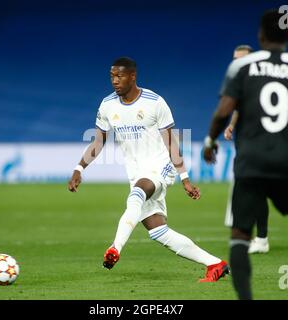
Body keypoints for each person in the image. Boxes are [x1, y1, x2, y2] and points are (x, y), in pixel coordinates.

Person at [203, 10, 288, 299]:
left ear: (261, 36)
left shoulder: (242, 68)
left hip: (250, 162)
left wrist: (210, 141)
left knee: (238, 238)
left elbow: (224, 111)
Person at [68, 57, 229, 282]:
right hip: (136, 172)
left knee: (136, 195)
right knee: (158, 231)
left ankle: (116, 248)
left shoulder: (155, 102)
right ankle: (215, 264)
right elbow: (98, 142)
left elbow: (172, 143)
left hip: (160, 167)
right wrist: (79, 168)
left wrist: (185, 178)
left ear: (133, 76)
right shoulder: (107, 105)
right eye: (112, 76)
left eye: (120, 76)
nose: (115, 81)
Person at [223, 45, 288, 254]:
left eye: (240, 58)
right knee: (258, 194)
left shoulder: (262, 80)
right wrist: (232, 125)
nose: (235, 62)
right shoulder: (244, 79)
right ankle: (262, 239)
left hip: (277, 148)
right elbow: (239, 108)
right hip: (257, 149)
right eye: (234, 58)